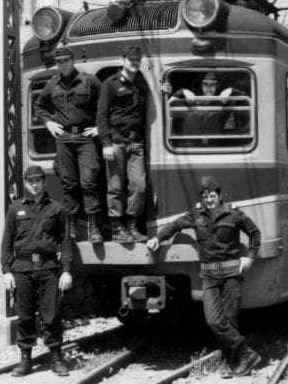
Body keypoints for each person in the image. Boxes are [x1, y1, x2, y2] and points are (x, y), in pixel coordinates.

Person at [146, 176, 262, 378]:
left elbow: (255, 233)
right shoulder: (196, 215)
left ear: (219, 195)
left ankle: (228, 362)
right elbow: (175, 225)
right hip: (209, 277)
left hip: (231, 275)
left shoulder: (234, 214)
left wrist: (250, 257)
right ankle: (246, 353)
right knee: (213, 320)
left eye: (212, 196)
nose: (209, 200)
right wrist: (157, 238)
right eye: (205, 196)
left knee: (230, 320)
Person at [1, 165, 73, 377]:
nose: (34, 184)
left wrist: (66, 270)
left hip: (49, 268)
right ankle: (25, 360)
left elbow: (66, 242)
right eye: (30, 181)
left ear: (44, 182)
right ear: (25, 183)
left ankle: (56, 358)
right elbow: (6, 242)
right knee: (24, 316)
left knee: (51, 316)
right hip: (22, 269)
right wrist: (6, 271)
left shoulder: (57, 208)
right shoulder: (15, 209)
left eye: (38, 181)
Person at [34, 47, 103, 243]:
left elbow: (106, 103)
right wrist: (48, 122)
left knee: (89, 181)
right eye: (60, 61)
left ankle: (94, 227)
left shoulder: (88, 80)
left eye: (66, 60)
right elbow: (38, 106)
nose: (63, 64)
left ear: (72, 60)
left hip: (85, 137)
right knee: (68, 183)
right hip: (63, 138)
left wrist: (100, 127)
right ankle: (71, 227)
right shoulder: (52, 84)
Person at [96, 46, 149, 243]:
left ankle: (132, 225)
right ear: (122, 59)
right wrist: (106, 143)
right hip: (116, 142)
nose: (135, 63)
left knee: (139, 185)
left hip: (136, 143)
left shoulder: (142, 81)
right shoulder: (110, 84)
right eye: (131, 59)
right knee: (115, 187)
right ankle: (117, 228)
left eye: (138, 59)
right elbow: (101, 116)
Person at [164, 72, 246, 139]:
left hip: (216, 146)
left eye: (213, 84)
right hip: (191, 146)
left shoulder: (223, 101)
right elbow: (168, 105)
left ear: (217, 86)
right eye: (205, 84)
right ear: (201, 85)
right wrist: (182, 92)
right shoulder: (192, 100)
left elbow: (246, 100)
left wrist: (232, 90)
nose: (209, 87)